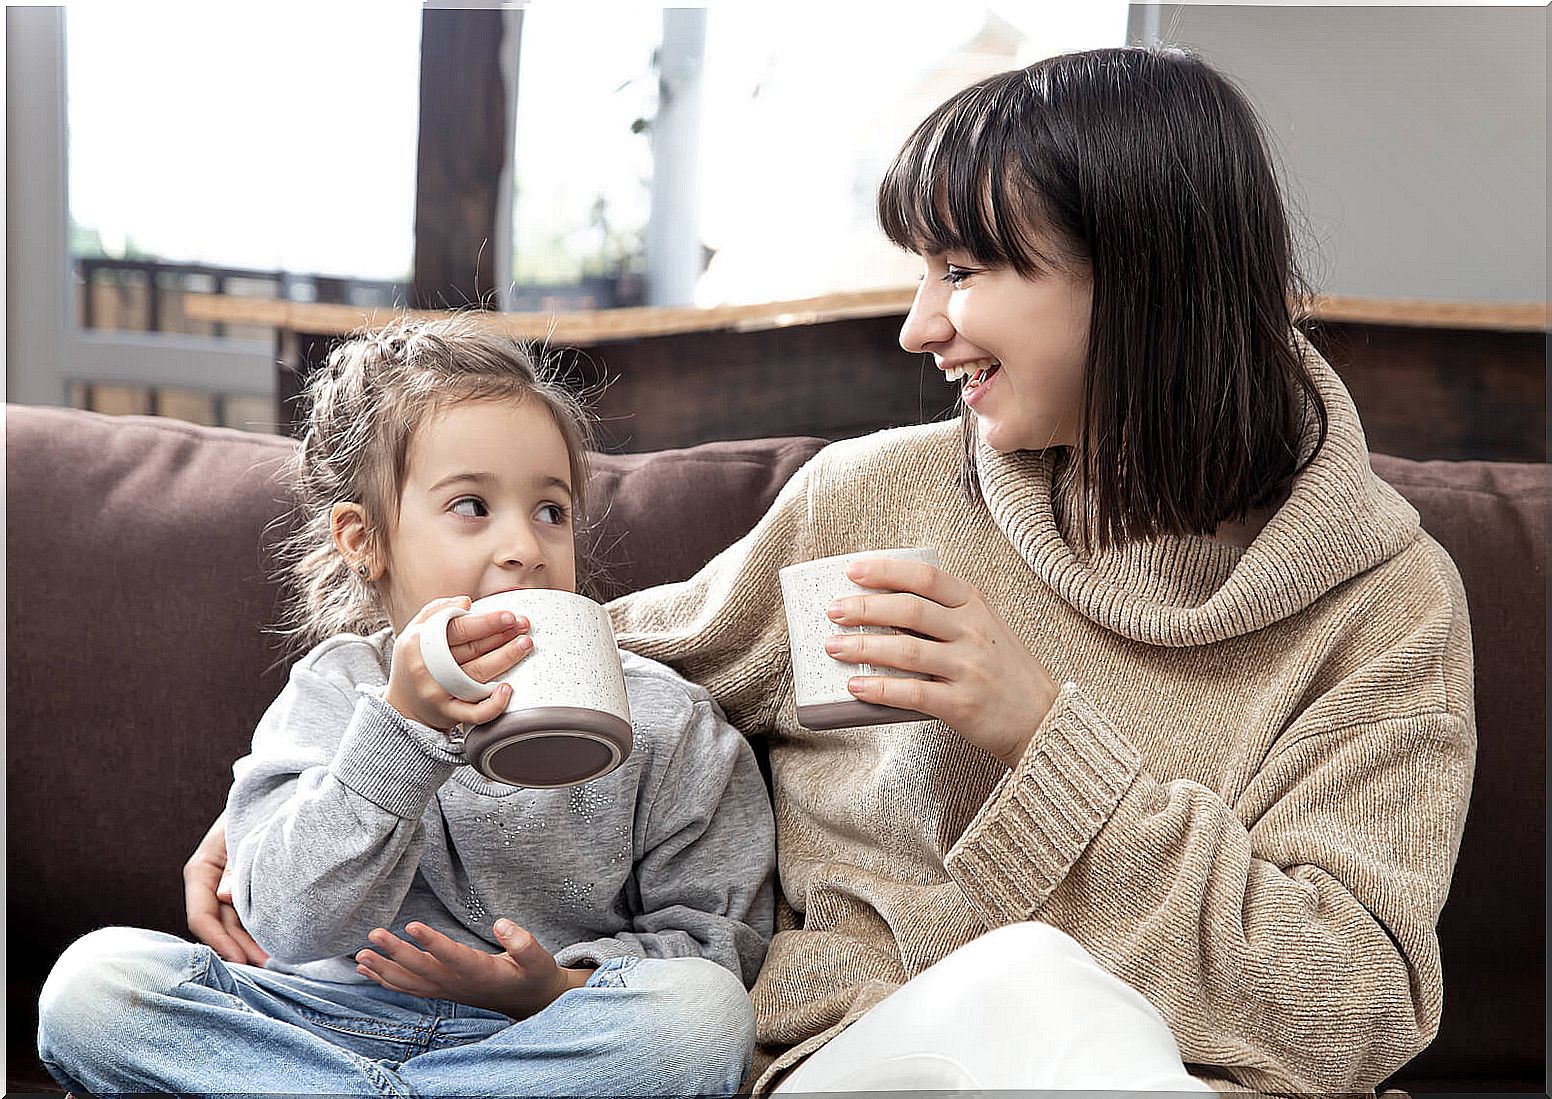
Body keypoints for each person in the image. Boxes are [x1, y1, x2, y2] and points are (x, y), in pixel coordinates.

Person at [180, 46, 1475, 1095]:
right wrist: (295, 810)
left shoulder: (1383, 602)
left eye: (963, 270)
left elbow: (1354, 1009)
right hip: (862, 1052)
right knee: (1022, 978)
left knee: (1045, 985)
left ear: (1140, 277)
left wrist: (1038, 736)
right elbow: (565, 653)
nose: (920, 326)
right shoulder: (874, 498)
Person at [37, 315, 776, 1097]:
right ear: (366, 539)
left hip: (532, 1038)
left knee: (703, 1016)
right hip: (310, 1020)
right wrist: (404, 725)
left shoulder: (666, 718)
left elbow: (717, 940)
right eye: (471, 505)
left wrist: (552, 986)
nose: (524, 544)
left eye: (550, 510)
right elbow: (284, 920)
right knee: (93, 985)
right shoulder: (332, 691)